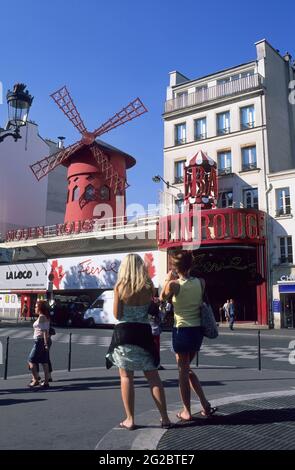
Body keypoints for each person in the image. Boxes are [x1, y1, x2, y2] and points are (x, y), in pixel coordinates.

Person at [106, 254, 171, 430]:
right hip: (143, 333)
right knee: (153, 377)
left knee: (126, 377)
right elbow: (151, 310)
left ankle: (130, 419)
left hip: (124, 333)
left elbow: (117, 315)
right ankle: (165, 417)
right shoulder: (148, 286)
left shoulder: (119, 287)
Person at [160, 250, 217, 421]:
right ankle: (205, 404)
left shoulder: (174, 285)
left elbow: (162, 297)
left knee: (183, 372)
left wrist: (167, 278)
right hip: (197, 331)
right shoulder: (201, 282)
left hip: (182, 330)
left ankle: (186, 411)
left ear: (176, 267)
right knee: (187, 369)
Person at [27, 300, 51, 388]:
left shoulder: (42, 317)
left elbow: (44, 331)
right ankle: (46, 381)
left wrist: (45, 344)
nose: (35, 308)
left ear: (40, 308)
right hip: (42, 341)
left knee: (31, 360)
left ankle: (36, 379)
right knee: (44, 361)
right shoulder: (45, 316)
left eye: (37, 306)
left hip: (39, 341)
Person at [149, 289, 165, 371]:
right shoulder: (156, 301)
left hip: (144, 327)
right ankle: (156, 363)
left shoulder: (143, 301)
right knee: (156, 347)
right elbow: (161, 315)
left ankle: (149, 362)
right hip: (154, 328)